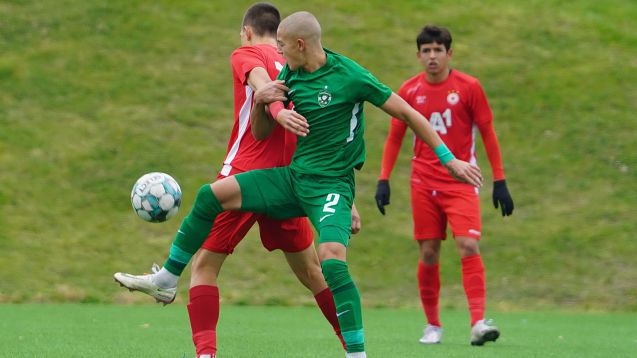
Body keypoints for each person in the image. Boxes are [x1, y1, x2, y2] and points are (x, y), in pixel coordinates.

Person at [116, 11, 482, 358]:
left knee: (331, 263)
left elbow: (408, 113)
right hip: (291, 179)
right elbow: (261, 131)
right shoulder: (290, 76)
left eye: (283, 45)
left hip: (331, 187)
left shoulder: (350, 75)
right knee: (210, 195)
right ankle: (167, 277)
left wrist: (450, 161)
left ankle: (357, 352)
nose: (278, 52)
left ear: (302, 44)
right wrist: (268, 104)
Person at [114, 3, 352, 357]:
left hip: (245, 175)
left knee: (205, 266)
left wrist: (268, 94)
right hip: (290, 180)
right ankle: (354, 347)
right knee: (312, 273)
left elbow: (259, 82)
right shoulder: (297, 66)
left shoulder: (247, 52)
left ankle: (204, 350)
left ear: (247, 30)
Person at [374, 25, 514, 346]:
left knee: (468, 245)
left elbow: (488, 134)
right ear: (419, 55)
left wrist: (500, 180)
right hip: (422, 182)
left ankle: (478, 322)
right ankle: (432, 325)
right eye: (427, 51)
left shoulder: (469, 88)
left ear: (449, 54)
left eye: (439, 50)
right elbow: (395, 137)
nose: (433, 56)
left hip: (462, 181)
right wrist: (383, 178)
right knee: (428, 252)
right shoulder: (409, 91)